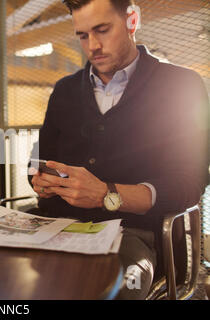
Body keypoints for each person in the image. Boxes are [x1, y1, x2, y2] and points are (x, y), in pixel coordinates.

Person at [29, 0, 209, 299]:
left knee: (102, 293)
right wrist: (41, 179)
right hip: (56, 227)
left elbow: (188, 183)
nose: (93, 46)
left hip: (135, 235)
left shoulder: (182, 85)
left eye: (102, 30)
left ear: (132, 21)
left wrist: (106, 194)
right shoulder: (65, 90)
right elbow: (40, 162)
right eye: (82, 35)